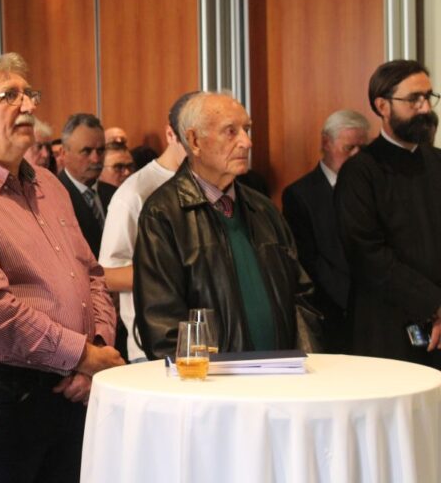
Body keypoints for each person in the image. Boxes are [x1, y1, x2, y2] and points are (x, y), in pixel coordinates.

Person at [0, 52, 122, 483]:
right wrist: (82, 355)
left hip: (77, 391)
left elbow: (92, 276)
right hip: (12, 398)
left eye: (29, 94)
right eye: (10, 96)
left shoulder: (51, 185)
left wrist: (96, 346)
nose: (28, 105)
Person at [134, 92, 315, 359]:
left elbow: (301, 297)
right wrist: (197, 379)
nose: (247, 142)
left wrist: (306, 363)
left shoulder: (263, 208)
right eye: (231, 131)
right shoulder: (163, 214)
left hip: (281, 374)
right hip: (210, 379)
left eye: (246, 130)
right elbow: (161, 323)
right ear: (194, 141)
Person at [335, 59, 441, 367]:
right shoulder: (360, 172)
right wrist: (434, 304)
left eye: (428, 97)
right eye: (414, 99)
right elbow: (367, 255)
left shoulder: (437, 162)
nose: (425, 108)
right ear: (382, 105)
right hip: (385, 327)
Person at [99, 92, 192, 362]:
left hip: (209, 340)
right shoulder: (135, 193)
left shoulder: (216, 185)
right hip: (155, 346)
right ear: (171, 134)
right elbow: (108, 274)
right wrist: (180, 272)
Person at [283, 109, 370, 353]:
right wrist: (350, 301)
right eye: (349, 148)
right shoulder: (300, 194)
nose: (356, 155)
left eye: (362, 148)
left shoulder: (374, 189)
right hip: (329, 312)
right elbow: (308, 261)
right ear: (326, 143)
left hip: (372, 312)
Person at [58, 113, 116, 258]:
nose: (96, 159)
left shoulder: (115, 195)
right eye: (86, 151)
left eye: (100, 151)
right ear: (63, 153)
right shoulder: (52, 197)